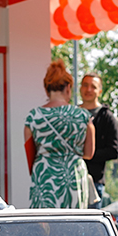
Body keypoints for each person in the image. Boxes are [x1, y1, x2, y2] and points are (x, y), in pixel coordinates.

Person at [24, 60, 94, 209]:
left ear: (46, 89)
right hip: (73, 175)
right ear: (68, 87)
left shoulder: (34, 116)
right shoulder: (83, 116)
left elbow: (30, 157)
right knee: (73, 226)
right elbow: (88, 153)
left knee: (44, 227)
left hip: (44, 176)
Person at [78, 73, 118, 208]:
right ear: (80, 88)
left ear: (100, 91)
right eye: (85, 85)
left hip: (94, 183)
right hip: (71, 181)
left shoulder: (108, 117)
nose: (88, 89)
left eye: (93, 86)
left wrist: (87, 154)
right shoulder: (72, 114)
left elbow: (114, 151)